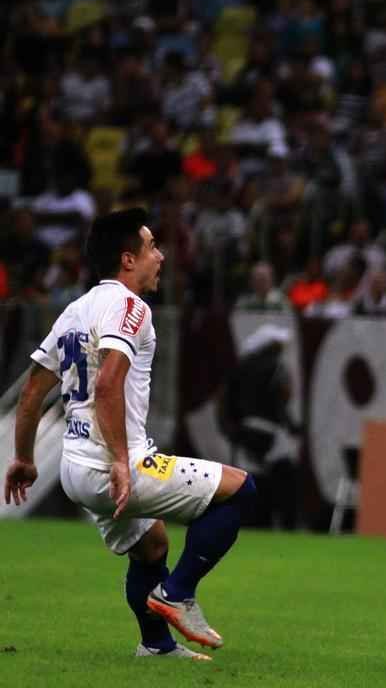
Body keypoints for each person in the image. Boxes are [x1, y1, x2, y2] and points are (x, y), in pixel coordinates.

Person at [4, 208, 256, 661]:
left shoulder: (75, 310)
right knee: (240, 490)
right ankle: (177, 594)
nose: (160, 256)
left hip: (73, 467)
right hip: (112, 465)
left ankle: (155, 647)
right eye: (152, 247)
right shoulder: (129, 306)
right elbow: (106, 384)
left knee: (152, 545)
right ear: (127, 259)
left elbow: (31, 395)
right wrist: (122, 461)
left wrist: (23, 459)